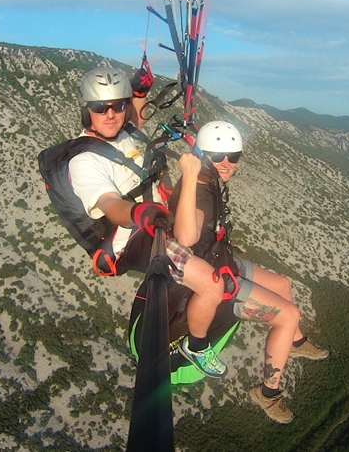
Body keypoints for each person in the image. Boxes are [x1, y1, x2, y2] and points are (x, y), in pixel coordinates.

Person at [67, 67, 229, 378]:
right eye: (101, 108)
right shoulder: (84, 160)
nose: (111, 114)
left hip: (155, 217)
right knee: (212, 284)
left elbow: (134, 127)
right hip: (134, 237)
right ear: (87, 112)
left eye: (118, 105)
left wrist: (139, 94)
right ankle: (196, 347)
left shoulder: (120, 133)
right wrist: (138, 214)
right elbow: (109, 204)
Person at [169, 120, 329, 424]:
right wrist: (188, 176)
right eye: (218, 156)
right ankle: (268, 393)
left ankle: (294, 343)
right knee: (289, 315)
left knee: (282, 284)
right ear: (202, 156)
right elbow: (187, 236)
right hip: (214, 275)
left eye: (233, 157)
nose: (226, 163)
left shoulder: (208, 179)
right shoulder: (199, 189)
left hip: (221, 259)